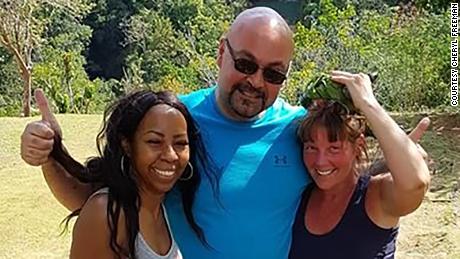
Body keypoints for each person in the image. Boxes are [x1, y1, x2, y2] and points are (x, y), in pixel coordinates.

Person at [20, 7, 428, 259]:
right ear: (221, 52)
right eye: (246, 64)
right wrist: (50, 155)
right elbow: (100, 202)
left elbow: (337, 178)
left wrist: (392, 157)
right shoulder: (176, 126)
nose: (255, 82)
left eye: (273, 74)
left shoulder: (298, 130)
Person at [44, 89, 216, 258]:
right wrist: (48, 153)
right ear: (127, 145)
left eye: (180, 143)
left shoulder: (167, 207)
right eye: (154, 141)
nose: (170, 155)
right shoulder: (105, 213)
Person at [289, 71, 431, 259]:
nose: (320, 161)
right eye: (311, 147)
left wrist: (367, 102)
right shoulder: (297, 196)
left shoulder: (376, 198)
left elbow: (415, 183)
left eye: (334, 148)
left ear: (359, 146)